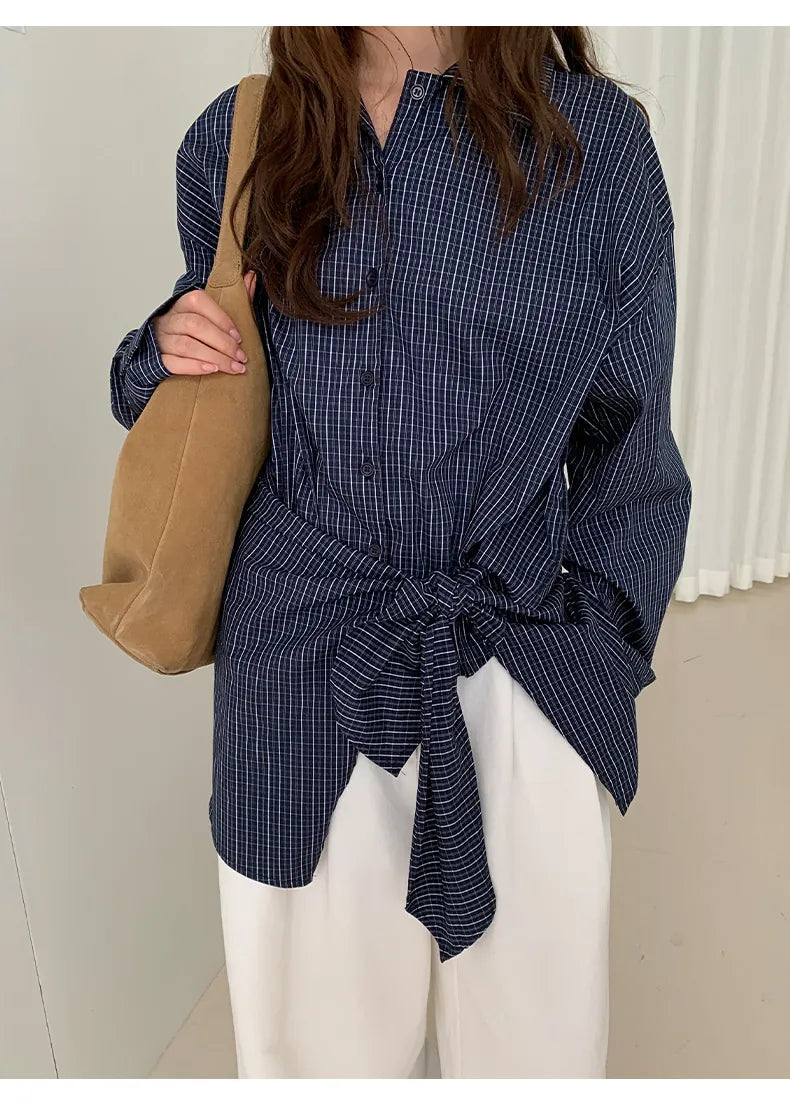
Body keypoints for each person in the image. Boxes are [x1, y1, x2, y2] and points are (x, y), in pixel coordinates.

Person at [109, 26, 692, 1078]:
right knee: (312, 1062)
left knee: (537, 1055)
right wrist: (158, 347)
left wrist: (599, 651)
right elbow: (202, 371)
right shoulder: (243, 136)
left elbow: (631, 438)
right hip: (297, 670)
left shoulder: (596, 147)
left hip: (519, 650)